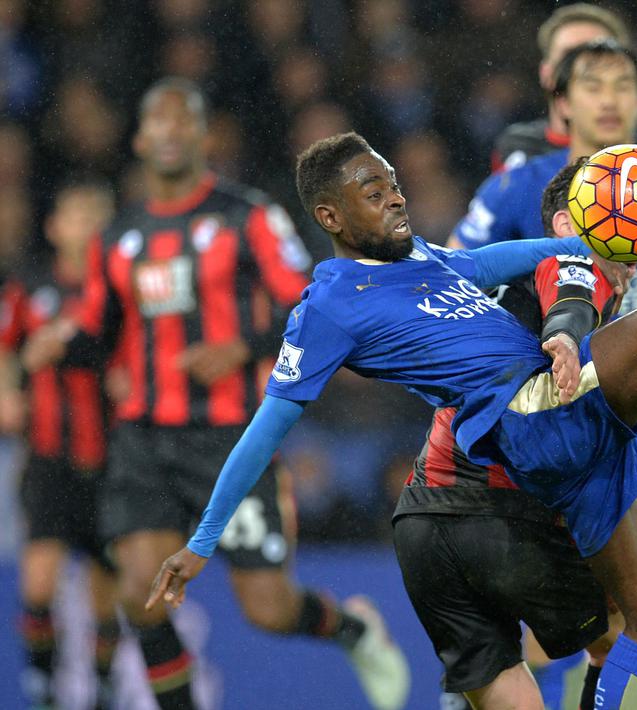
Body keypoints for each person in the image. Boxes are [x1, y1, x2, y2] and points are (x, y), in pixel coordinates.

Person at [142, 99, 637, 710]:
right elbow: (266, 428)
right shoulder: (328, 302)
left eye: (392, 183)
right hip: (531, 415)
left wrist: (580, 242)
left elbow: (505, 261)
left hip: (567, 450)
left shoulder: (426, 259)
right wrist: (204, 540)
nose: (393, 196)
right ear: (329, 213)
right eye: (371, 189)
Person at [21, 78, 409, 710]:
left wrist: (243, 347)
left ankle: (353, 629)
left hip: (232, 439)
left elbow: (306, 297)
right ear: (142, 138)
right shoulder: (119, 236)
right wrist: (58, 347)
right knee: (139, 592)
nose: (172, 131)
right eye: (159, 121)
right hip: (144, 440)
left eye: (186, 121)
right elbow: (98, 330)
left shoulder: (246, 216)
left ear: (203, 136)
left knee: (269, 609)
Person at [453, 40, 637, 707]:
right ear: (563, 103)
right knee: (570, 616)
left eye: (622, 85)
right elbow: (458, 270)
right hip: (561, 414)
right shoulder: (523, 185)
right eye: (593, 85)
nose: (608, 98)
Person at [397, 156, 630, 709]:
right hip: (498, 512)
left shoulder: (498, 275)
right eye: (605, 200)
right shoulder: (567, 260)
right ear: (567, 226)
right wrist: (567, 338)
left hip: (423, 516)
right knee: (625, 633)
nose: (624, 211)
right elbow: (570, 297)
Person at [0, 180, 121, 710]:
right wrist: (6, 392)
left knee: (104, 589)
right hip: (49, 455)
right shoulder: (31, 286)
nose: (88, 229)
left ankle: (102, 687)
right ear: (54, 228)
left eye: (98, 218)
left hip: (113, 457)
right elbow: (5, 350)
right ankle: (44, 686)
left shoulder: (120, 293)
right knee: (38, 583)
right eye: (78, 217)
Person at [490, 3, 637, 172]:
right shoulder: (520, 153)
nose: (584, 64)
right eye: (570, 56)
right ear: (546, 73)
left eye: (599, 53)